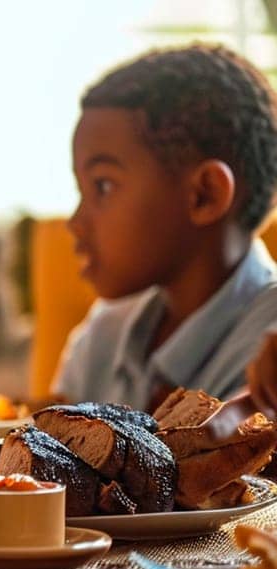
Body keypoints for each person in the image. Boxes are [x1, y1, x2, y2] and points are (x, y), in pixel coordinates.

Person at [54, 43, 277, 412]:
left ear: (204, 194)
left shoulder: (270, 350)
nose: (75, 223)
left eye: (102, 186)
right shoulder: (103, 335)